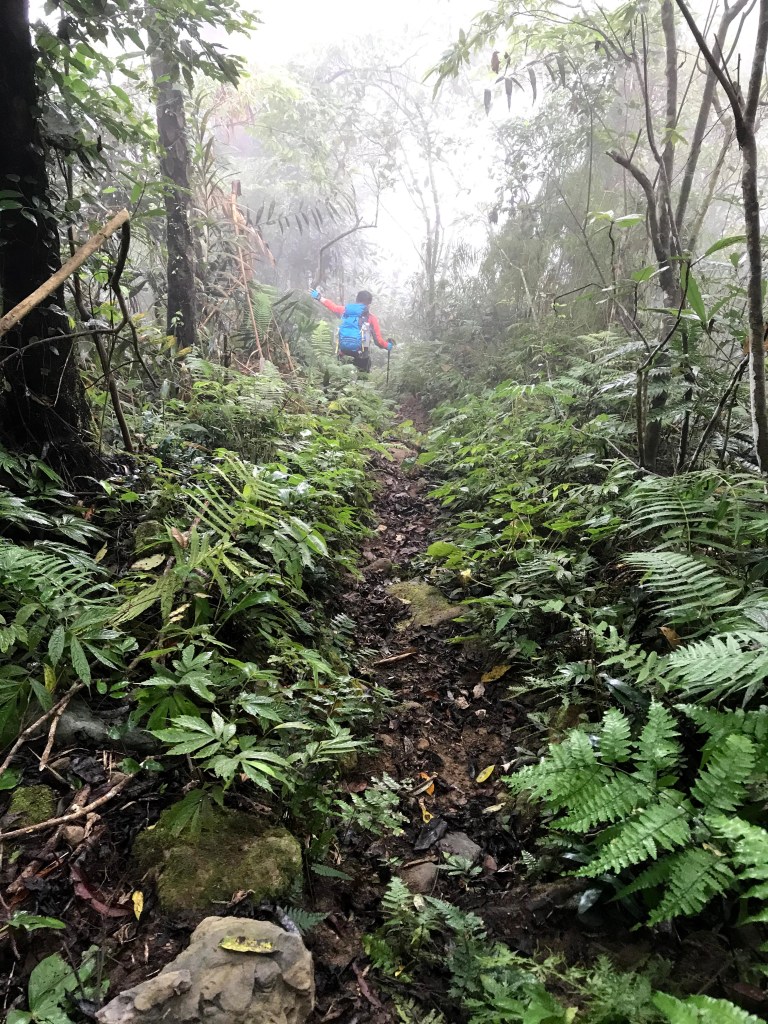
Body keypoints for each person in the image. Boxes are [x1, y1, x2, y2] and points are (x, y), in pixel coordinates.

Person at [310, 288, 393, 373]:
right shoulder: (371, 317)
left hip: (343, 353)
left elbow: (333, 307)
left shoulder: (344, 311)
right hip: (361, 356)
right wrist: (387, 346)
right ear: (368, 304)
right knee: (361, 378)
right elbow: (378, 341)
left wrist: (319, 297)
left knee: (342, 378)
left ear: (357, 300)